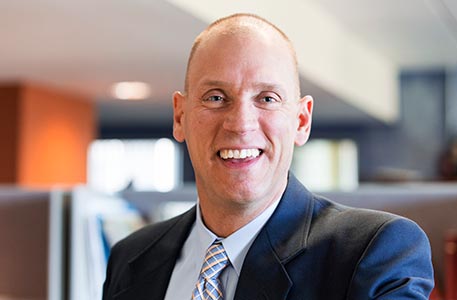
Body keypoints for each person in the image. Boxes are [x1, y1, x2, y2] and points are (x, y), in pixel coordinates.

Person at [102, 13, 434, 299]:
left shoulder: (375, 252)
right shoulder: (131, 257)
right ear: (180, 117)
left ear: (302, 121)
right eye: (216, 97)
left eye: (267, 98)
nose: (240, 124)